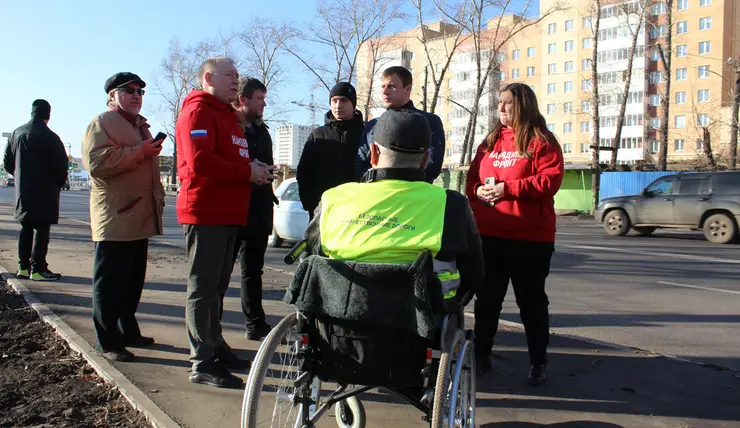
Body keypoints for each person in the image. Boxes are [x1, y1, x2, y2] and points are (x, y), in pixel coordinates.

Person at [305, 109, 484, 310]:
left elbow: (311, 256)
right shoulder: (450, 204)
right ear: (425, 160)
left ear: (373, 154)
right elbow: (473, 272)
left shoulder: (334, 198)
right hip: (421, 326)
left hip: (337, 320)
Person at [176, 57, 274, 389]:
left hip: (230, 214)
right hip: (206, 213)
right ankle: (202, 361)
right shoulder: (198, 112)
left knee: (217, 288)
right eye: (229, 75)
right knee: (202, 289)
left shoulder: (228, 117)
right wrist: (246, 172)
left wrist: (255, 169)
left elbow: (235, 158)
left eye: (236, 75)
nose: (236, 80)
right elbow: (200, 160)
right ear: (208, 77)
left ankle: (215, 346)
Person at [465, 82, 564, 385]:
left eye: (507, 103)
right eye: (499, 103)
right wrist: (480, 191)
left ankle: (538, 362)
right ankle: (481, 357)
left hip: (530, 239)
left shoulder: (542, 142)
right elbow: (471, 182)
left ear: (523, 105)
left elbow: (549, 181)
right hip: (490, 236)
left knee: (531, 304)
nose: (501, 109)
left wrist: (508, 189)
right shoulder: (490, 142)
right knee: (487, 302)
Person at [81, 73, 165, 362]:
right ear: (112, 96)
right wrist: (141, 151)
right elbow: (96, 162)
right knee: (110, 283)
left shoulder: (140, 127)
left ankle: (128, 330)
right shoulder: (103, 123)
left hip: (139, 217)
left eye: (141, 91)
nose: (136, 95)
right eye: (128, 90)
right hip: (116, 218)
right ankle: (108, 342)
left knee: (132, 282)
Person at [229, 77, 277, 341]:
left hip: (259, 211)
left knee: (253, 271)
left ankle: (255, 324)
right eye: (259, 98)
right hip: (235, 211)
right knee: (221, 273)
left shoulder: (263, 131)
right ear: (243, 100)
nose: (264, 104)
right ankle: (213, 329)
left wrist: (269, 174)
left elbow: (266, 166)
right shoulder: (230, 129)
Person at [3, 99, 68, 281]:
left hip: (23, 190)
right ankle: (38, 268)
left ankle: (23, 267)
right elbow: (61, 166)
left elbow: (8, 162)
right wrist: (58, 183)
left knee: (26, 227)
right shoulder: (51, 138)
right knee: (42, 229)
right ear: (48, 115)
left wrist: (20, 176)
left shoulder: (16, 133)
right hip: (45, 191)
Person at [355, 66, 445, 183]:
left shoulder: (430, 122)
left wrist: (400, 185)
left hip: (415, 195)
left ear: (407, 89)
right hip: (378, 194)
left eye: (391, 86)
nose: (384, 91)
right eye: (383, 86)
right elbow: (360, 163)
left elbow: (433, 165)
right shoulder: (372, 126)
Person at [297, 82, 364, 220]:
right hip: (322, 212)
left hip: (357, 212)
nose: (338, 105)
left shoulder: (365, 134)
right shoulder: (318, 135)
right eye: (334, 100)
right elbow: (304, 172)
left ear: (353, 104)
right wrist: (312, 204)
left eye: (344, 100)